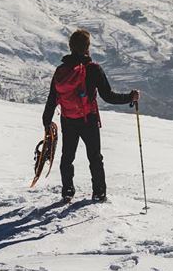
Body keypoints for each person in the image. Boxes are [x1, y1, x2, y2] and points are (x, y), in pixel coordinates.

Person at [42, 28, 139, 202]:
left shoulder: (61, 71)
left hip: (68, 119)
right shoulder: (93, 69)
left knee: (67, 157)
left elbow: (52, 99)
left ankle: (67, 191)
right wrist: (130, 98)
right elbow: (108, 96)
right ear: (87, 48)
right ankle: (99, 193)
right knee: (95, 157)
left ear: (71, 47)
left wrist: (46, 121)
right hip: (88, 119)